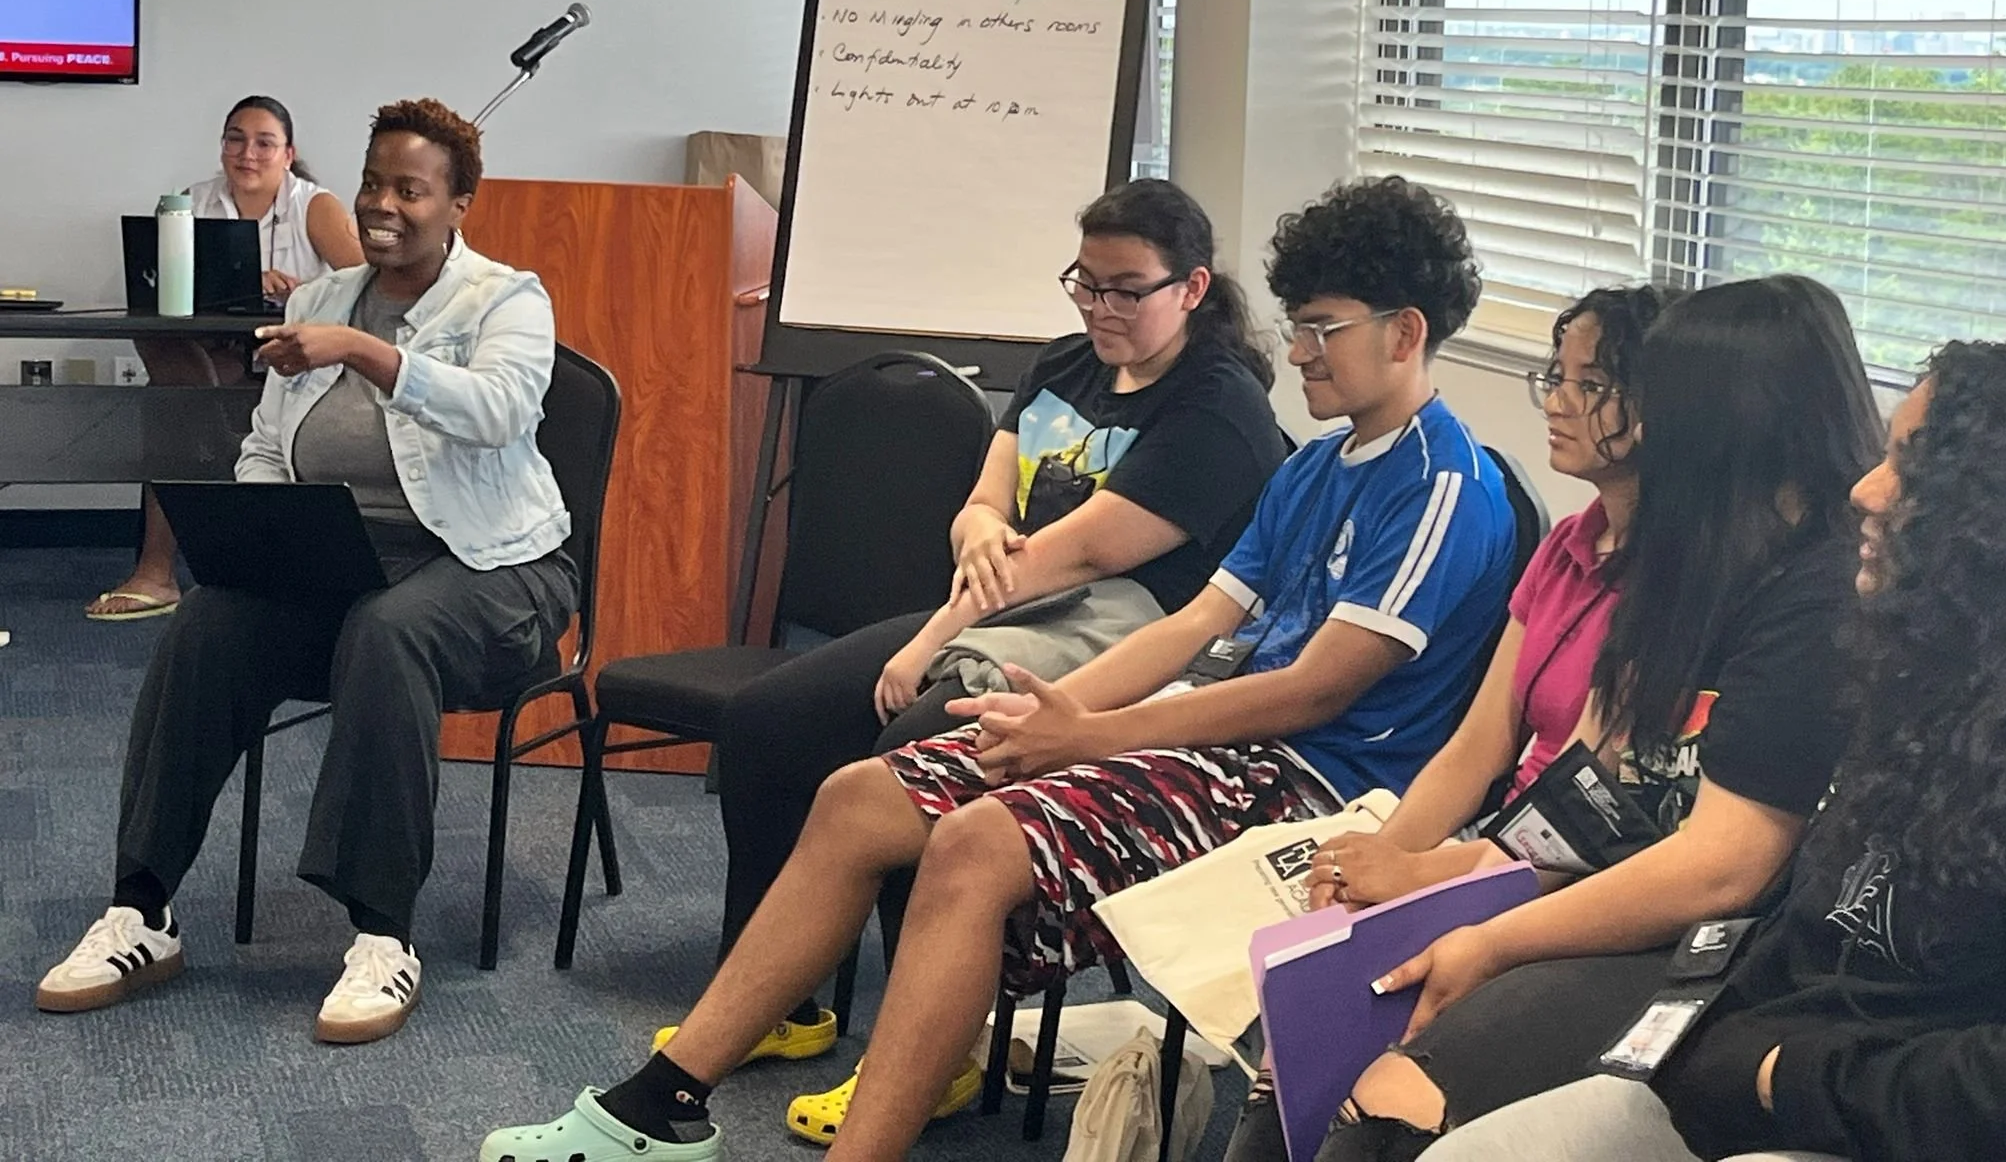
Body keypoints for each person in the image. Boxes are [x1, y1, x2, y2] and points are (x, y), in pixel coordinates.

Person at [480, 175, 1520, 1162]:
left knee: (975, 845)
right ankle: (659, 1107)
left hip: (1310, 785)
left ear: (1405, 331)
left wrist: (1092, 733)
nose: (1295, 351)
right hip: (1208, 740)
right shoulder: (1312, 468)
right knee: (856, 799)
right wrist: (1061, 709)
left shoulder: (1440, 486)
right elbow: (1200, 621)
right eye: (1294, 325)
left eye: (1320, 329)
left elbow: (1314, 691)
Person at [1265, 276, 1882, 1162]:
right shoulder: (1681, 558)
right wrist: (1435, 878)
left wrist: (1490, 936)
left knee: (1384, 1105)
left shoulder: (1818, 599)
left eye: (1645, 398)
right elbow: (1581, 803)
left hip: (1721, 948)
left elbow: (1721, 873)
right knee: (1304, 1047)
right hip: (1600, 893)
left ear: (1724, 420)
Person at [1415, 340, 2006, 1162]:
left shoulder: (2002, 727)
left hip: (1878, 1106)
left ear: (1997, 518)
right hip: (1778, 1037)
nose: (1867, 489)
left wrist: (1784, 1075)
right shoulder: (1919, 671)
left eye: (1909, 466)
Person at [709, 177, 1289, 1067]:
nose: (1101, 307)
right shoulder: (1063, 363)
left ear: (1193, 288)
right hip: (1001, 607)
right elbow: (983, 506)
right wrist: (978, 531)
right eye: (1086, 282)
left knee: (909, 750)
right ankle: (777, 1006)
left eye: (1127, 288)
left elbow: (1083, 556)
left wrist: (927, 640)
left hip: (1121, 634)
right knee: (766, 723)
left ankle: (925, 1058)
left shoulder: (1218, 408)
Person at [39, 98, 575, 1046]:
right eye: (374, 182)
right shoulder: (320, 299)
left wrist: (370, 354)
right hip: (344, 563)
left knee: (390, 630)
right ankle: (142, 910)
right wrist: (263, 522)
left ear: (458, 205)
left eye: (411, 189)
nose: (383, 204)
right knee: (208, 622)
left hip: (494, 570)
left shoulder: (506, 299)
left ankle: (381, 934)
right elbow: (266, 443)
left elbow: (497, 411)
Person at [1291, 284, 1677, 911]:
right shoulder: (1565, 547)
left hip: (1564, 871)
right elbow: (1480, 745)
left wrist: (1412, 877)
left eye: (1591, 385)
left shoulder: (1673, 580)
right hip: (1504, 840)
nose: (1557, 402)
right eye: (1557, 378)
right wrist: (1386, 858)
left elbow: (1584, 805)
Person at [87, 95, 363, 622]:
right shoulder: (191, 203)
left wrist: (300, 293)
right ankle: (210, 432)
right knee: (165, 358)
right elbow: (160, 293)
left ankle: (156, 572)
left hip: (293, 363)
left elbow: (364, 287)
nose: (248, 152)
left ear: (288, 153)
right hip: (216, 355)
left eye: (264, 142)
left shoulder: (314, 205)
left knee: (171, 408)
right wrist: (241, 283)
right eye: (235, 138)